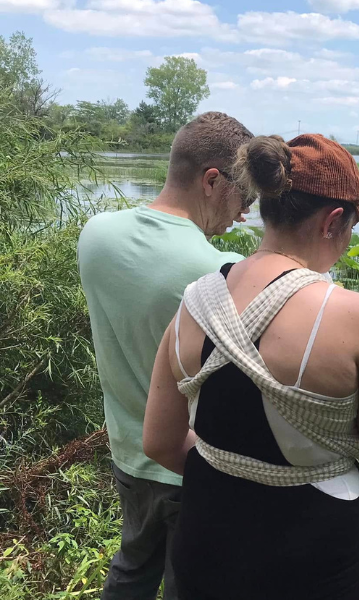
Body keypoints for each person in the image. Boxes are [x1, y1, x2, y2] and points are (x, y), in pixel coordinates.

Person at [142, 133, 359, 600]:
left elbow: (159, 442)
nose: (347, 242)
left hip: (204, 538)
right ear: (332, 222)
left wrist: (233, 471)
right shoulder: (353, 315)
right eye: (351, 229)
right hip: (312, 555)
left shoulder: (195, 300)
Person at [78, 111, 255, 600]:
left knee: (132, 567)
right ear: (213, 181)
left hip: (129, 452)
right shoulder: (222, 272)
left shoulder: (95, 234)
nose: (243, 214)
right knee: (192, 585)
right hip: (192, 459)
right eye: (245, 196)